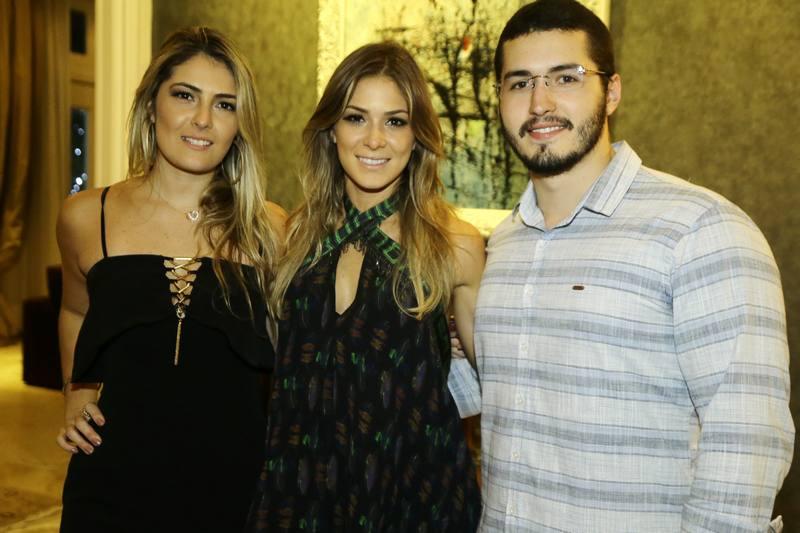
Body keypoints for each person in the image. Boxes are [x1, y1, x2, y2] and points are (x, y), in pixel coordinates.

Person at [474, 0, 794, 531]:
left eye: (566, 78)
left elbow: (746, 440)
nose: (540, 102)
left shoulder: (699, 229)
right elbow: (503, 394)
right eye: (520, 82)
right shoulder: (506, 243)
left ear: (612, 91)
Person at [246, 41, 485, 532]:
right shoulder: (290, 237)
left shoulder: (454, 244)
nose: (375, 139)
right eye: (356, 118)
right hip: (302, 491)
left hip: (414, 497)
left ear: (417, 137)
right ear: (331, 130)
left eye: (395, 121)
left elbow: (499, 382)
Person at [55, 27, 284, 532]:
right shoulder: (86, 216)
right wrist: (77, 389)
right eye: (185, 95)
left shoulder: (270, 228)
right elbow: (74, 310)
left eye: (224, 105)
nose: (202, 119)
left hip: (232, 483)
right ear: (151, 104)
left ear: (239, 124)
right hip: (111, 479)